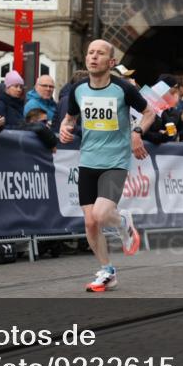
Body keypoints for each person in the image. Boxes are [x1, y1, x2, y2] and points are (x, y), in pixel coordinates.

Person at [59, 39, 155, 292]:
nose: (93, 57)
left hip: (116, 161)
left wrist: (136, 133)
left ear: (111, 62)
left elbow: (149, 113)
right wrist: (64, 129)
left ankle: (122, 220)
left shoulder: (123, 89)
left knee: (102, 215)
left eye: (100, 54)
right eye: (90, 52)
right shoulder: (78, 90)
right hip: (88, 160)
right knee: (90, 222)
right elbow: (69, 118)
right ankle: (107, 271)